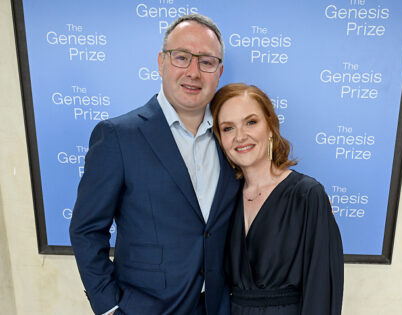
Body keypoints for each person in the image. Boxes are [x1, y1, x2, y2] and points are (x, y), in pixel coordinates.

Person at [69, 14, 240, 315]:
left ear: (219, 71)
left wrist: (307, 200)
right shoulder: (118, 137)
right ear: (161, 62)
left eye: (206, 61)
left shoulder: (231, 138)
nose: (193, 71)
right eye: (182, 57)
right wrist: (109, 308)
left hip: (219, 306)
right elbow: (86, 230)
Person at [210, 83, 344, 315]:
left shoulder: (308, 195)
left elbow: (321, 290)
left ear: (271, 126)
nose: (240, 136)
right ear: (220, 139)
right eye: (228, 128)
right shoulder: (223, 199)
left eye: (251, 122)